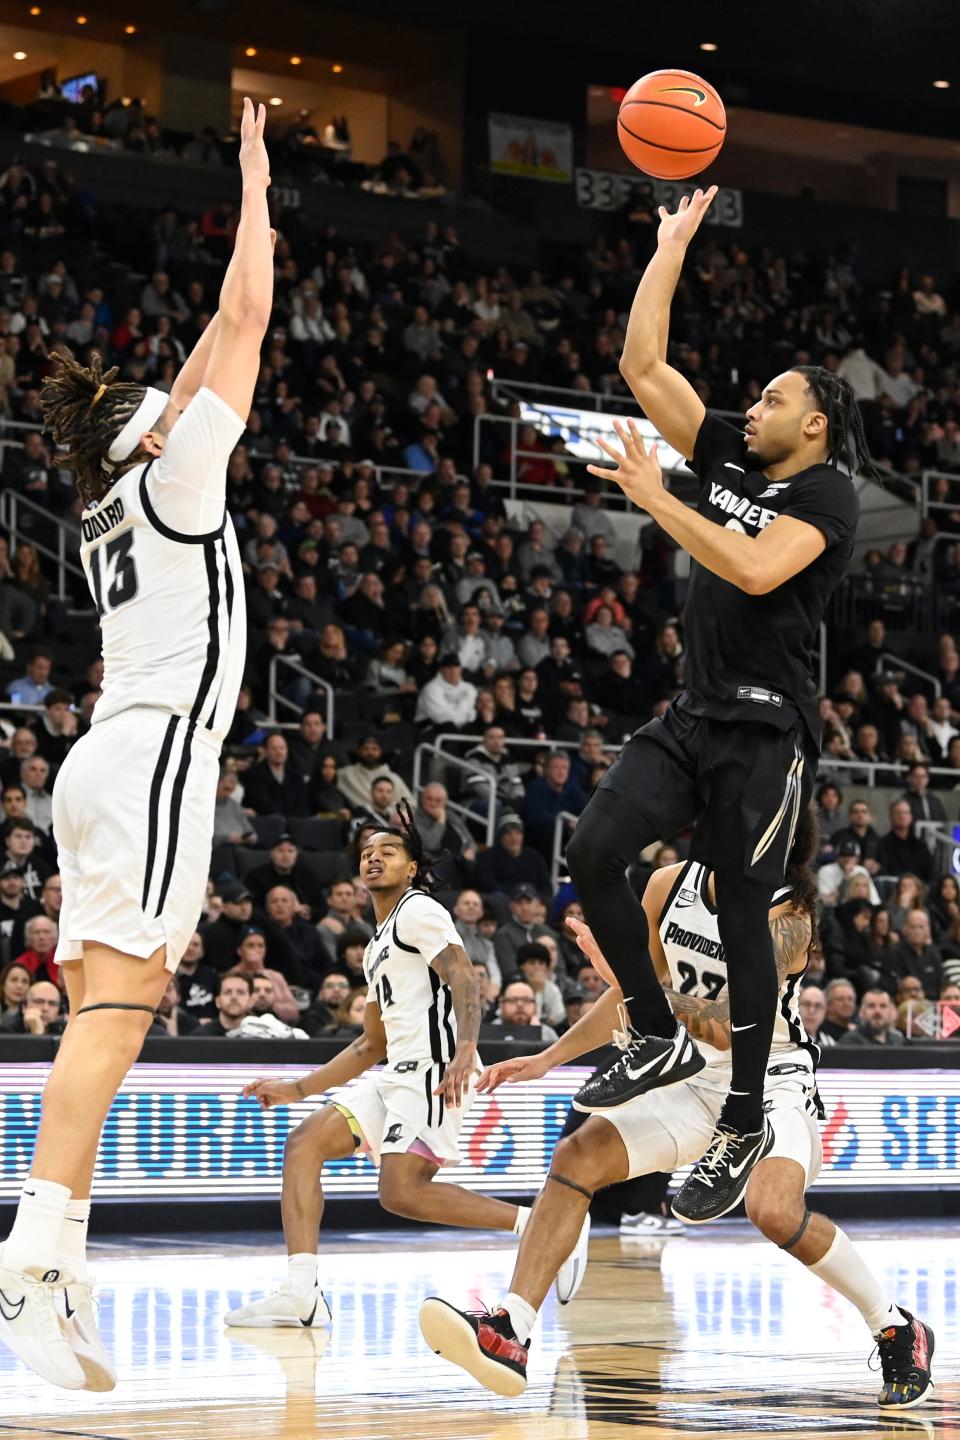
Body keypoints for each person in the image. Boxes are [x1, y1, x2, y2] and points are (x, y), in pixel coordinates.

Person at [0, 98, 272, 1392]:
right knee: (115, 1016)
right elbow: (245, 321)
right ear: (152, 433)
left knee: (102, 1023)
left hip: (102, 765)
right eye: (169, 399)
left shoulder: (116, 496)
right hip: (157, 754)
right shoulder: (170, 477)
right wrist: (258, 184)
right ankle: (26, 1259)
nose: (188, 393)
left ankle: (60, 1276)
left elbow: (214, 339)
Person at [559, 188, 868, 1220]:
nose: (752, 409)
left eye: (773, 399)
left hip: (768, 734)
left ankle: (742, 1119)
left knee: (741, 910)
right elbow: (643, 365)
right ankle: (648, 1030)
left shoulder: (828, 498)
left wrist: (656, 498)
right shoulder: (727, 458)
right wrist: (672, 246)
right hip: (694, 718)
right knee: (594, 851)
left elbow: (750, 565)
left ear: (814, 421)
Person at [420, 808, 935, 1410]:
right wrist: (548, 1058)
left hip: (770, 1077)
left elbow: (727, 1027)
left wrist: (632, 980)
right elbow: (632, 995)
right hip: (695, 1073)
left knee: (773, 1210)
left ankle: (896, 1324)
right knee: (577, 1154)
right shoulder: (668, 884)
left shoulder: (789, 915)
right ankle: (512, 1329)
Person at [225, 804, 588, 1330]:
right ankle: (301, 1292)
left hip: (436, 1067)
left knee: (400, 1192)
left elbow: (465, 978)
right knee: (304, 1144)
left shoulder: (419, 910)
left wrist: (467, 1048)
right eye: (367, 853)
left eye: (388, 852)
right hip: (396, 1070)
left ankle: (551, 1226)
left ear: (412, 866)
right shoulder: (378, 942)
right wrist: (297, 1088)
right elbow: (370, 1044)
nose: (374, 859)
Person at [838, 989, 906, 1047]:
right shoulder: (850, 1041)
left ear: (890, 1012)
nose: (877, 1011)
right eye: (871, 1006)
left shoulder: (897, 1040)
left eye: (883, 1006)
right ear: (861, 1012)